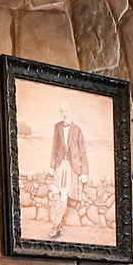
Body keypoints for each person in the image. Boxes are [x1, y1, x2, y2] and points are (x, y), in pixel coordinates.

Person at [47, 102, 88, 238]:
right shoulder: (57, 127)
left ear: (71, 112)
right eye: (62, 111)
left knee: (64, 194)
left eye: (67, 111)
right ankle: (57, 223)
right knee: (55, 192)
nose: (64, 114)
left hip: (71, 168)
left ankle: (57, 226)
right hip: (60, 165)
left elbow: (83, 152)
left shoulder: (77, 130)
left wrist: (84, 172)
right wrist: (52, 166)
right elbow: (54, 147)